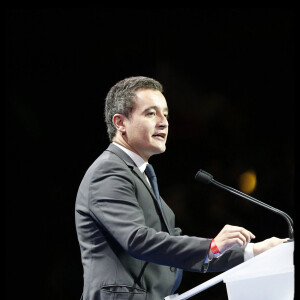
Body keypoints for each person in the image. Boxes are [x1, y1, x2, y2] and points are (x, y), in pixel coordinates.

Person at [75, 76, 287, 300]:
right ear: (120, 123)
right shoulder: (109, 171)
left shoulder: (139, 174)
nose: (164, 122)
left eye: (165, 114)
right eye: (151, 113)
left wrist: (253, 251)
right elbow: (137, 239)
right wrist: (212, 245)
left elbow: (173, 243)